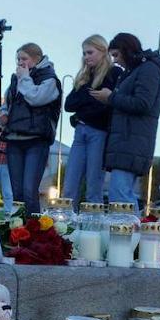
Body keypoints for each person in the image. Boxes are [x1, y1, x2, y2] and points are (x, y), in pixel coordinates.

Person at [93, 33, 160, 210]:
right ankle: (131, 227)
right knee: (121, 195)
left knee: (120, 195)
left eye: (116, 55)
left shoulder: (148, 69)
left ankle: (131, 228)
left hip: (131, 141)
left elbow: (143, 103)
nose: (114, 61)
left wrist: (111, 98)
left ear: (126, 51)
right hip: (128, 141)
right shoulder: (135, 71)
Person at [0, 43, 61, 215]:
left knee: (29, 190)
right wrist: (3, 114)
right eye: (18, 59)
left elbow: (36, 97)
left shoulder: (49, 79)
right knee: (17, 192)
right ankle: (18, 227)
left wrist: (25, 78)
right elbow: (7, 101)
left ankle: (33, 228)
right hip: (14, 139)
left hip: (36, 140)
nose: (20, 62)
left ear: (37, 59)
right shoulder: (16, 78)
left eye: (24, 59)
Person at [62, 35, 121, 206]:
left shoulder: (114, 73)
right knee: (69, 187)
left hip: (99, 133)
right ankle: (67, 221)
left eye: (90, 52)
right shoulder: (85, 77)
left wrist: (84, 105)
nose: (86, 57)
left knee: (93, 188)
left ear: (102, 51)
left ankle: (94, 222)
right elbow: (68, 105)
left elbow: (107, 107)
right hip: (80, 132)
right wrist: (91, 98)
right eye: (84, 53)